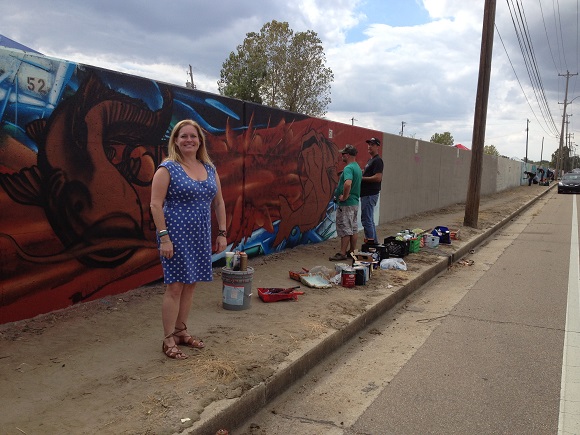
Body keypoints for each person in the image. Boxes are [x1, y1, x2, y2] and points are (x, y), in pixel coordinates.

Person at [150, 120, 227, 360]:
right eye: (183, 136)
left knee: (191, 284)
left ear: (200, 141)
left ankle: (181, 332)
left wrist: (222, 232)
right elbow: (155, 204)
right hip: (175, 236)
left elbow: (218, 202)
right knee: (175, 286)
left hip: (200, 236)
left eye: (193, 136)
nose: (189, 140)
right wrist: (164, 238)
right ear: (175, 140)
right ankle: (167, 338)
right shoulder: (167, 168)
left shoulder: (209, 169)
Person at [329, 144, 362, 261]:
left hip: (346, 204)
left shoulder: (348, 168)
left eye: (343, 154)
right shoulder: (357, 167)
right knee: (353, 228)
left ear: (347, 155)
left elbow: (348, 183)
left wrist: (344, 196)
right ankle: (352, 251)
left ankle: (342, 253)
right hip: (354, 203)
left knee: (345, 228)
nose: (342, 156)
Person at [360, 137, 384, 245]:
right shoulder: (370, 160)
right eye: (369, 144)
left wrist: (362, 179)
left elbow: (378, 177)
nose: (369, 146)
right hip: (366, 194)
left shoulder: (378, 161)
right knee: (369, 220)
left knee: (366, 220)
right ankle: (374, 243)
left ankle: (370, 245)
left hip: (370, 194)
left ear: (377, 146)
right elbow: (368, 174)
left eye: (372, 144)